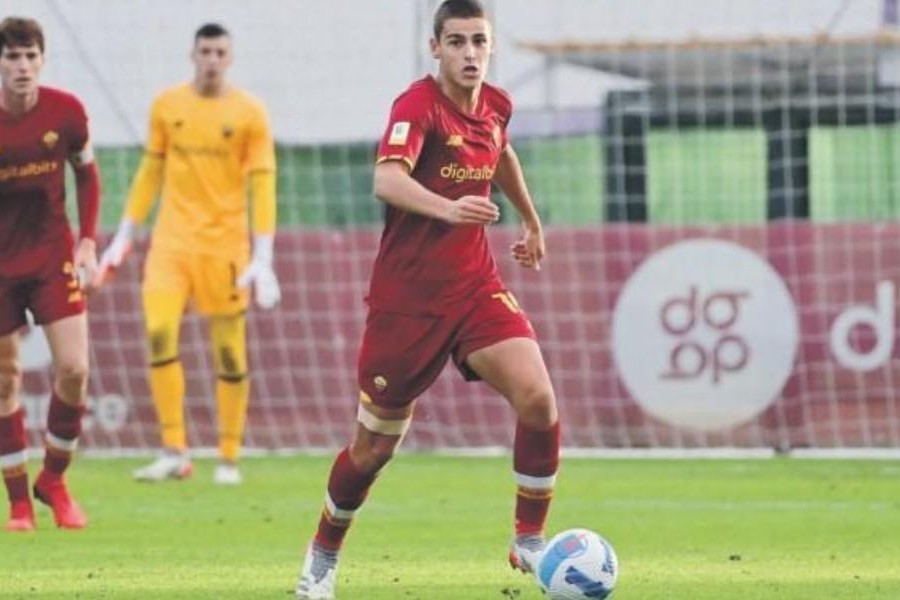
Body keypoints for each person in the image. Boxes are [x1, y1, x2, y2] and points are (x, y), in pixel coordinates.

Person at [295, 1, 560, 597]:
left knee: (538, 397)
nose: (470, 54)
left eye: (480, 42)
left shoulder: (496, 104)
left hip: (474, 287)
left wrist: (532, 221)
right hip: (406, 304)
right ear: (435, 48)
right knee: (371, 450)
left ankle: (529, 539)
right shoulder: (416, 106)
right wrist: (451, 209)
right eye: (458, 42)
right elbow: (385, 179)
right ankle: (322, 556)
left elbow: (503, 152)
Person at [97, 23, 279, 486]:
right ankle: (173, 450)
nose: (212, 59)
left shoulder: (250, 113)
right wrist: (123, 236)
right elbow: (149, 172)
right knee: (158, 333)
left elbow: (262, 183)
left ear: (229, 58)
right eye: (205, 51)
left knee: (228, 352)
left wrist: (264, 255)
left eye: (220, 52)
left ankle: (229, 457)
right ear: (192, 55)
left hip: (225, 247)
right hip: (171, 244)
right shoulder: (167, 105)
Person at [0, 17, 102, 531]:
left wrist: (86, 242)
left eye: (30, 56)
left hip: (50, 257)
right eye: (12, 57)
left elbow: (87, 174)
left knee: (75, 369)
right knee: (5, 379)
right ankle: (18, 503)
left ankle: (54, 481)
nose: (22, 67)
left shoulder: (66, 113)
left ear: (42, 61)